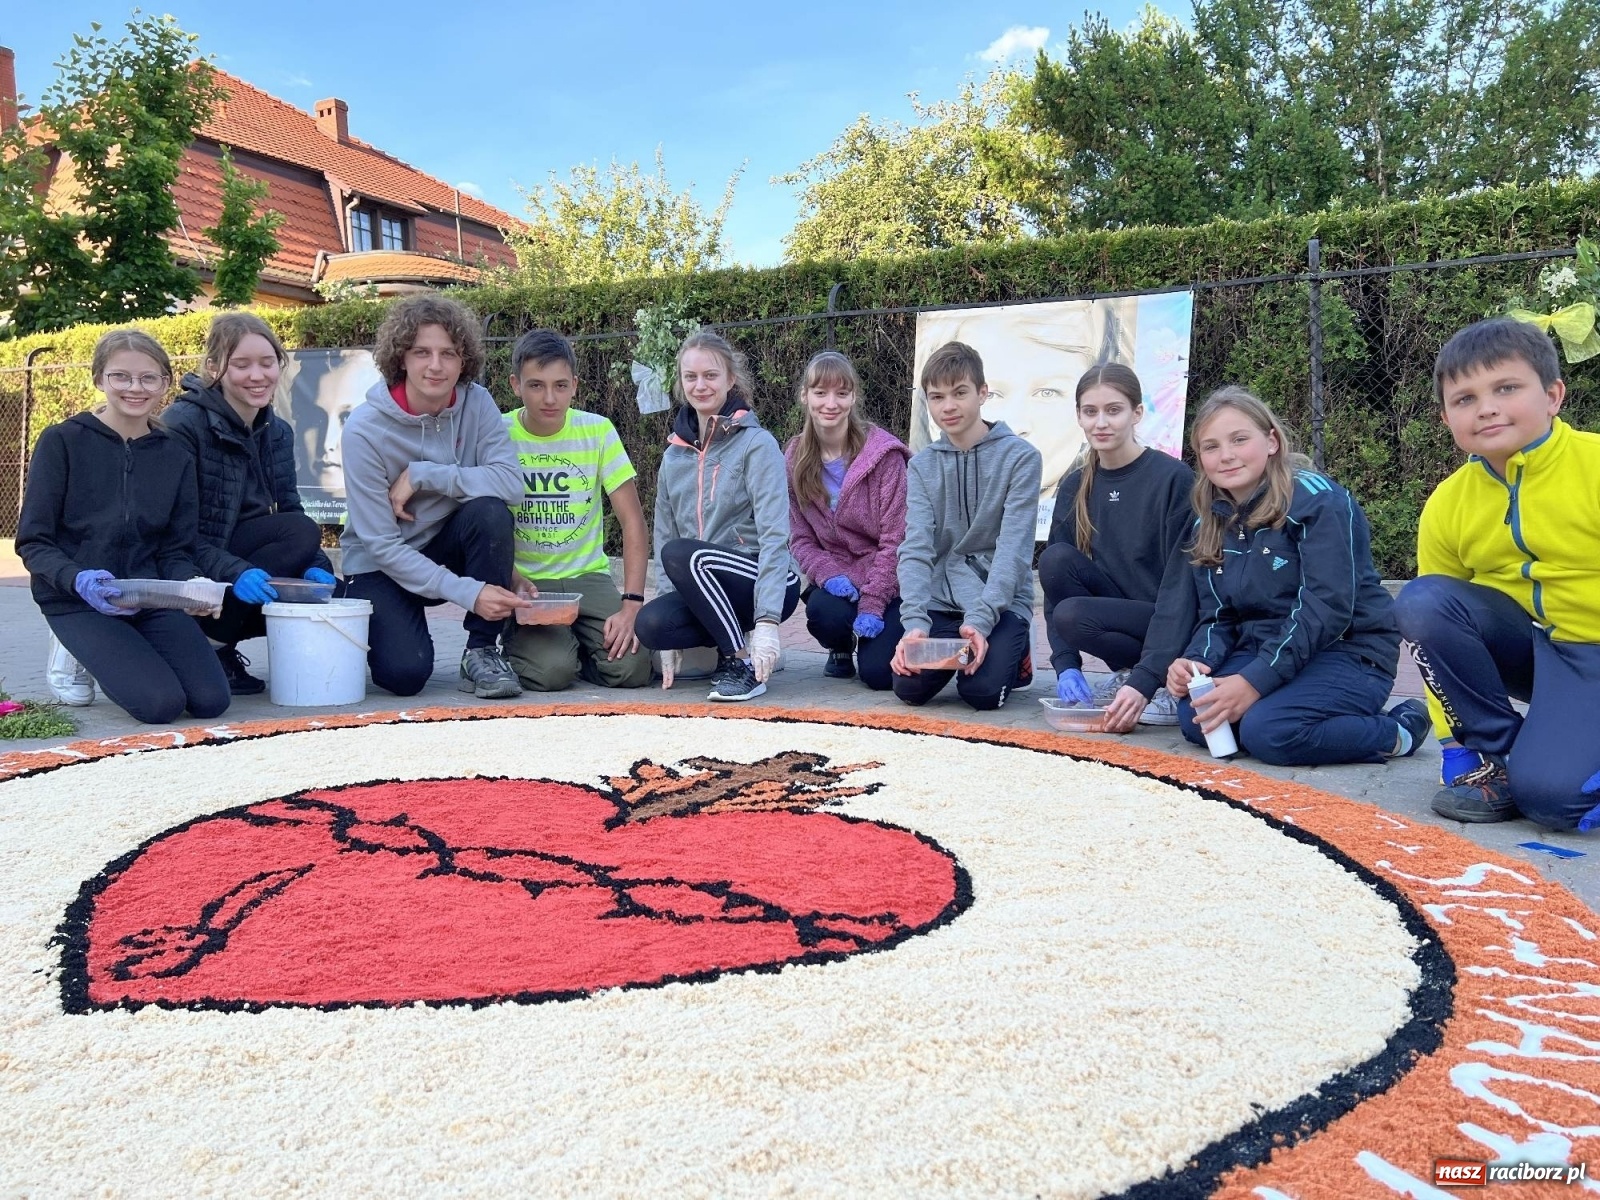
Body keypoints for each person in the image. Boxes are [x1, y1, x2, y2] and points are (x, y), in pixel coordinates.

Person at [1394, 318, 1600, 831]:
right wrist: (1454, 745)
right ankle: (1498, 760)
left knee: (1557, 803)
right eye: (1465, 399)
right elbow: (1429, 640)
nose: (1485, 407)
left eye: (1506, 388)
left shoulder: (1593, 465)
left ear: (1553, 396)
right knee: (1423, 601)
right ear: (1446, 418)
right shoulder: (1447, 502)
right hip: (1543, 658)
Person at [1164, 387, 1430, 766]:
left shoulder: (1320, 501)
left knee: (1270, 732)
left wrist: (1254, 681)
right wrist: (1195, 663)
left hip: (1347, 650)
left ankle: (1399, 730)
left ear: (1271, 441)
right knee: (1198, 719)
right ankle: (1307, 711)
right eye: (1211, 447)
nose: (1226, 455)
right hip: (1264, 648)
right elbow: (1218, 616)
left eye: (1239, 439)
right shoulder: (1207, 522)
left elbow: (1326, 610)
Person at [18, 329, 231, 725]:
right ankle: (71, 648)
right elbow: (34, 542)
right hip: (76, 598)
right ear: (99, 379)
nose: (135, 388)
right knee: (160, 705)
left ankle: (119, 646)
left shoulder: (175, 455)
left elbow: (175, 548)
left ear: (165, 384)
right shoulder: (62, 441)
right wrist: (77, 580)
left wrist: (191, 587)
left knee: (211, 700)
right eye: (121, 376)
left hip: (148, 597)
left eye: (149, 378)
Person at [338, 294, 527, 698]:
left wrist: (425, 474)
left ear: (464, 360)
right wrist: (469, 592)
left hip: (443, 543)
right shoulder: (364, 429)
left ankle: (482, 651)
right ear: (401, 358)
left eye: (449, 353)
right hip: (380, 564)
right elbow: (382, 545)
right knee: (405, 674)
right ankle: (355, 611)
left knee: (490, 512)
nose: (436, 365)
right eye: (422, 352)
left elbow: (511, 484)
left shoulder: (478, 402)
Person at [162, 313, 337, 694]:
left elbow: (289, 508)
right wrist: (236, 571)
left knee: (336, 590)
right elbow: (175, 533)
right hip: (192, 561)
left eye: (267, 362)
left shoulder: (277, 430)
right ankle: (205, 642)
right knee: (299, 533)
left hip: (244, 553)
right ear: (215, 368)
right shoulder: (183, 424)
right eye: (241, 364)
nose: (257, 375)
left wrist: (316, 566)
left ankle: (219, 647)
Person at [634, 329, 799, 702]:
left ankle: (741, 663)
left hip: (762, 578)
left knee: (683, 554)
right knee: (651, 624)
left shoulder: (757, 444)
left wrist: (768, 620)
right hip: (701, 578)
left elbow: (775, 536)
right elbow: (664, 534)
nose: (700, 385)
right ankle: (735, 644)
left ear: (730, 379)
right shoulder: (673, 457)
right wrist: (668, 626)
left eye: (710, 375)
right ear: (681, 383)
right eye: (690, 376)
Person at [1039, 363, 1194, 731]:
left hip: (1174, 621)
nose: (1101, 423)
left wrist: (1153, 671)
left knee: (1073, 613)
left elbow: (1183, 590)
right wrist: (1065, 664)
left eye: (1113, 410)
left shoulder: (1174, 479)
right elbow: (1054, 588)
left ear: (1136, 413)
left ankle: (1161, 682)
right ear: (1078, 416)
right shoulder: (1076, 485)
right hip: (1124, 617)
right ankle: (1128, 671)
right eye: (1090, 411)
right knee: (1055, 561)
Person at [891, 341, 1041, 711]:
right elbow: (916, 547)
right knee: (908, 688)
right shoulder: (921, 466)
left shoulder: (1021, 458)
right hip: (942, 602)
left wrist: (981, 622)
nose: (948, 406)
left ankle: (1018, 648)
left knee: (981, 693)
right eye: (937, 397)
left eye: (959, 393)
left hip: (999, 602)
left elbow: (1013, 550)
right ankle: (965, 652)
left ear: (982, 393)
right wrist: (914, 625)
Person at [501, 329, 652, 691]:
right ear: (515, 385)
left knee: (633, 669)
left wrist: (631, 605)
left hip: (588, 577)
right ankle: (514, 648)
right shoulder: (497, 433)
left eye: (560, 385)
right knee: (551, 673)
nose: (549, 398)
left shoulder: (597, 431)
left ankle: (579, 650)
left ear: (575, 386)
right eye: (536, 385)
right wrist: (509, 576)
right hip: (529, 583)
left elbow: (632, 520)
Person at [784, 350, 910, 690]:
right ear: (805, 396)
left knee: (879, 676)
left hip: (888, 580)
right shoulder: (793, 459)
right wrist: (827, 574)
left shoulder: (885, 457)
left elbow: (896, 541)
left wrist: (873, 602)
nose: (831, 403)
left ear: (853, 397)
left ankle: (873, 640)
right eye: (820, 392)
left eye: (841, 393)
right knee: (824, 612)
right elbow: (800, 538)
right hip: (838, 577)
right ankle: (840, 647)